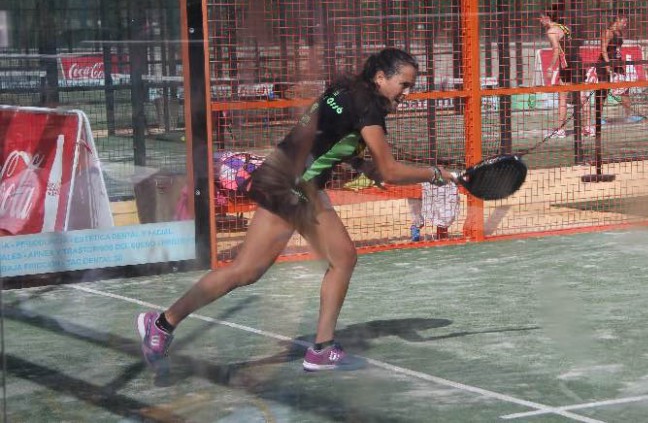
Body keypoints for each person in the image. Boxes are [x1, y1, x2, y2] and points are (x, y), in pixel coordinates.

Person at [136, 48, 459, 372]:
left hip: (285, 176)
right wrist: (435, 174)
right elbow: (389, 171)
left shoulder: (345, 90)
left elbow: (336, 139)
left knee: (277, 267)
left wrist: (365, 166)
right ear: (380, 78)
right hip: (293, 185)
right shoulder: (370, 109)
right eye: (404, 84)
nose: (407, 93)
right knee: (263, 268)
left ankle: (165, 324)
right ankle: (165, 323)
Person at [595, 12, 643, 124]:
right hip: (604, 64)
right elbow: (603, 49)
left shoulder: (619, 32)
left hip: (617, 64)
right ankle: (598, 118)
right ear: (617, 20)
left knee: (625, 90)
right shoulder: (608, 32)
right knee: (603, 92)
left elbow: (617, 49)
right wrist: (607, 65)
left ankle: (629, 116)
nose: (625, 25)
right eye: (624, 22)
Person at [540, 6, 574, 139]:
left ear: (547, 18)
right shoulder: (564, 27)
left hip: (567, 64)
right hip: (576, 61)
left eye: (541, 18)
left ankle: (560, 129)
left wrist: (550, 67)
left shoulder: (551, 31)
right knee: (581, 95)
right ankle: (588, 127)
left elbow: (556, 50)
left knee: (563, 97)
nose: (540, 20)